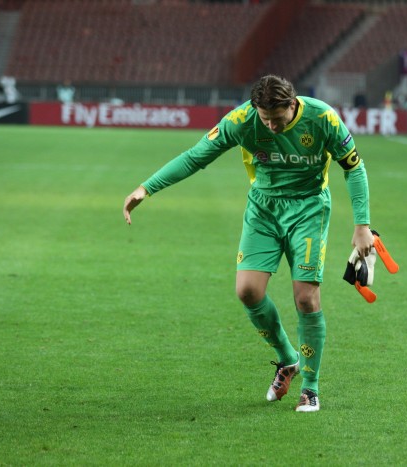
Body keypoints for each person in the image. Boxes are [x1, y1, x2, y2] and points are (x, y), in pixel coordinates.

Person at [123, 75, 373, 412]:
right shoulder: (241, 120)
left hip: (309, 209)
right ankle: (288, 359)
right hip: (264, 210)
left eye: (278, 119)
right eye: (265, 118)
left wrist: (362, 227)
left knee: (306, 299)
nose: (270, 126)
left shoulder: (322, 118)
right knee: (248, 292)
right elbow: (196, 156)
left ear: (293, 104)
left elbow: (354, 169)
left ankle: (310, 389)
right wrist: (146, 188)